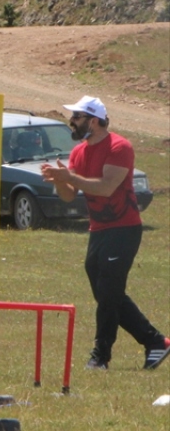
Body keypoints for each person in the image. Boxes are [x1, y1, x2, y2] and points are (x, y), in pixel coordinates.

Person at [42, 96, 168, 371]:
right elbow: (68, 196)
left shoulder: (119, 147)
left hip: (124, 229)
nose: (71, 122)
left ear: (94, 120)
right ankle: (156, 341)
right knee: (107, 294)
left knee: (109, 292)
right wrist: (60, 181)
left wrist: (70, 178)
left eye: (76, 117)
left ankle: (100, 356)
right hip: (99, 229)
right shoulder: (78, 152)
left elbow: (106, 187)